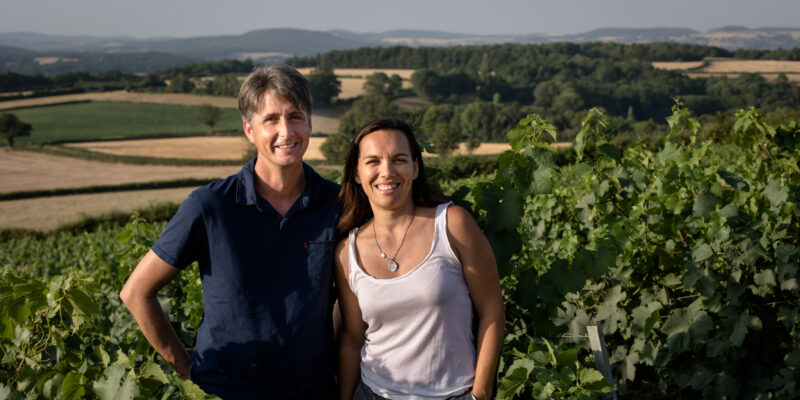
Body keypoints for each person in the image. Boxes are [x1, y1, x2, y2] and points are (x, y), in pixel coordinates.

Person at [120, 64, 340, 399]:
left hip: (311, 393)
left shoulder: (338, 204)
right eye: (271, 120)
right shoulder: (210, 207)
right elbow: (135, 293)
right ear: (249, 129)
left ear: (309, 123)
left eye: (296, 116)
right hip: (224, 392)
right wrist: (188, 371)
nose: (287, 131)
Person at [334, 116, 505, 400]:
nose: (386, 171)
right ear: (356, 173)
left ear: (415, 168)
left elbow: (492, 311)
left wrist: (480, 394)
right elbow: (352, 339)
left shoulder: (452, 225)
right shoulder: (346, 252)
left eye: (399, 159)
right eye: (373, 161)